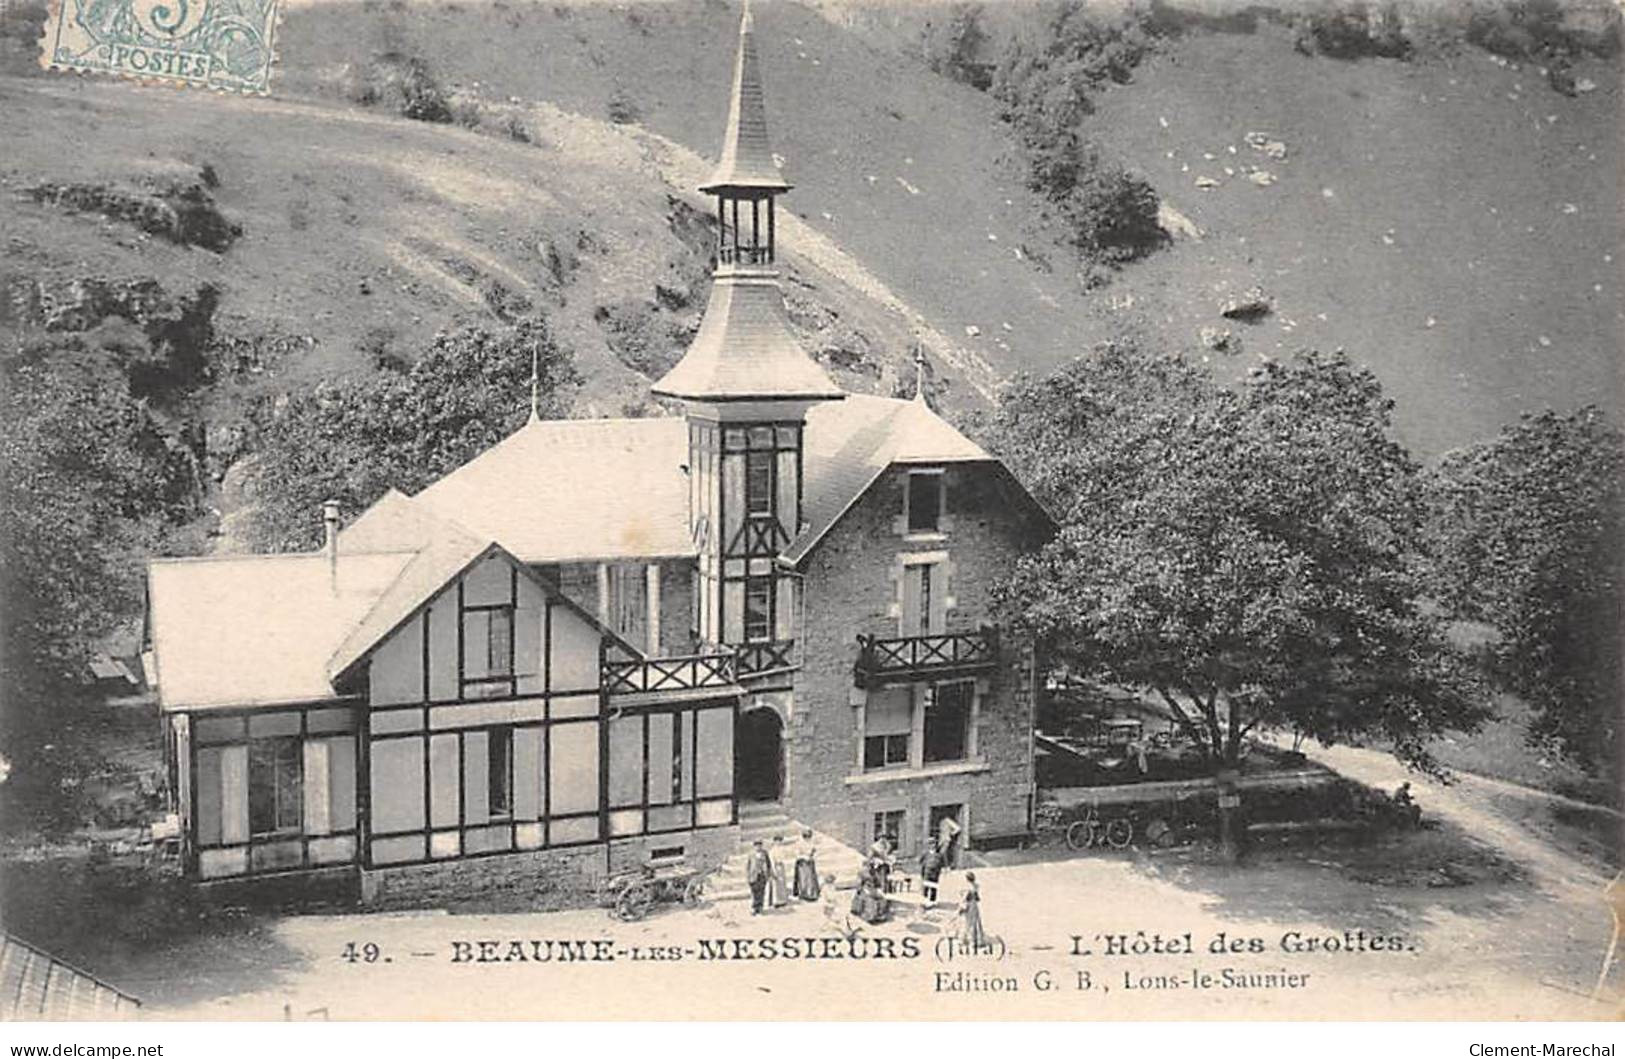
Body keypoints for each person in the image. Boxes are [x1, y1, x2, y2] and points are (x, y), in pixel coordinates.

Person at [958, 870, 985, 949]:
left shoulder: (967, 888)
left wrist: (962, 907)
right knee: (975, 923)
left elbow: (966, 898)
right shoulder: (976, 886)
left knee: (967, 923)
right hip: (975, 906)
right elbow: (977, 898)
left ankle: (968, 941)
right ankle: (978, 941)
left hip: (969, 906)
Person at [793, 828, 821, 901]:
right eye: (806, 836)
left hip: (810, 863)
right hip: (802, 864)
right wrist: (804, 857)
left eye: (809, 836)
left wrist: (812, 856)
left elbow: (814, 851)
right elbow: (797, 854)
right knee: (804, 879)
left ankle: (812, 893)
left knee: (811, 879)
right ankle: (804, 893)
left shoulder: (811, 843)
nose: (808, 838)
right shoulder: (799, 843)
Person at [745, 838, 772, 915]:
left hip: (762, 875)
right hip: (753, 875)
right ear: (754, 846)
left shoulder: (765, 853)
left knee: (761, 891)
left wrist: (768, 874)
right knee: (754, 892)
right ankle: (754, 908)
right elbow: (748, 866)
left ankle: (760, 908)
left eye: (760, 845)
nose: (758, 847)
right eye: (756, 845)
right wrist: (748, 876)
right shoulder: (751, 855)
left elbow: (768, 864)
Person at [768, 835, 792, 908]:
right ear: (774, 842)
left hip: (781, 867)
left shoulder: (781, 850)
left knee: (782, 883)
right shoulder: (772, 851)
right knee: (776, 884)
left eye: (780, 841)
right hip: (776, 866)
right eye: (777, 841)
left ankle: (782, 900)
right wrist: (774, 870)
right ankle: (776, 901)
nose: (779, 843)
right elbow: (772, 861)